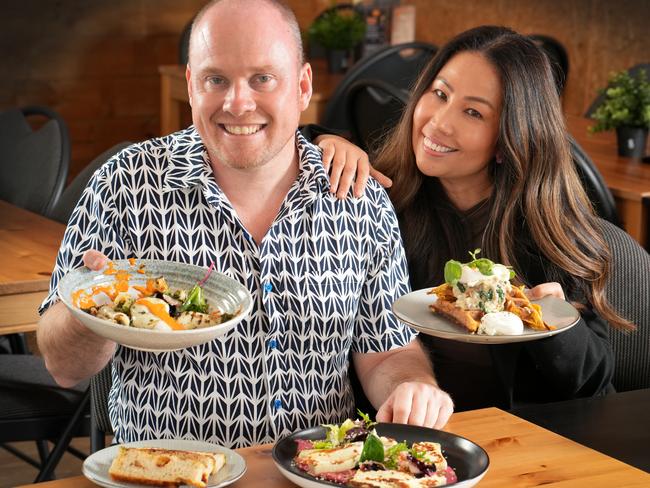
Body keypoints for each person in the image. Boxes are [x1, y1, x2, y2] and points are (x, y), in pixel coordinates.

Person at [36, 0, 453, 448]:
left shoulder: (357, 195)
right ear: (192, 86)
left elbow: (387, 350)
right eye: (216, 79)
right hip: (165, 471)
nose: (237, 103)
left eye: (262, 78)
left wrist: (413, 388)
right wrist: (92, 310)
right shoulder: (124, 184)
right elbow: (63, 366)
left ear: (302, 86)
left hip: (317, 471)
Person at [316, 25, 635, 411]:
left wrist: (554, 324)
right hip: (403, 444)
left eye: (472, 112)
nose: (438, 123)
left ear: (508, 139)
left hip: (528, 446)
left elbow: (593, 384)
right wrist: (323, 141)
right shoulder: (383, 203)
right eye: (439, 94)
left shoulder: (547, 232)